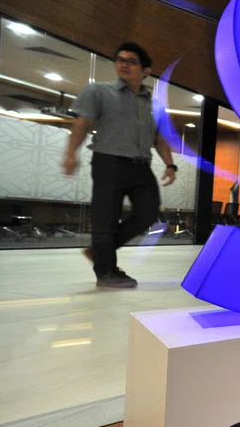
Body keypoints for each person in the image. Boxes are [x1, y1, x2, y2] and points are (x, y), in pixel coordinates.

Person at [62, 42, 177, 288]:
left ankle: (99, 251)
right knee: (106, 218)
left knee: (148, 212)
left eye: (131, 61)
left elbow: (159, 139)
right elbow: (82, 123)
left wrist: (170, 165)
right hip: (108, 161)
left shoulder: (154, 105)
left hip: (141, 165)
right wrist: (71, 153)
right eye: (120, 60)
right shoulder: (98, 91)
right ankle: (106, 272)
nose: (124, 64)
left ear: (146, 70)